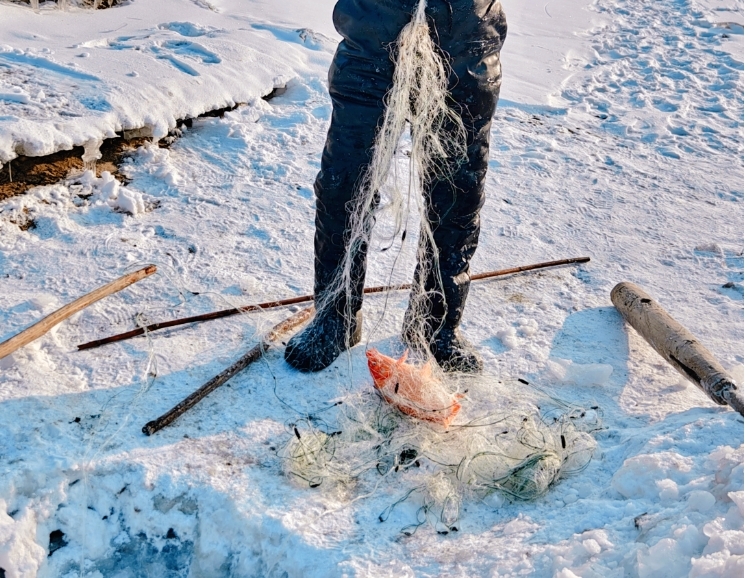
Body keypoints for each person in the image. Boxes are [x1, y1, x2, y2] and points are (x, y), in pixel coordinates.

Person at [285, 0, 507, 373]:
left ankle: (436, 323)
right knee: (346, 181)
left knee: (458, 189)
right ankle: (335, 316)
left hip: (467, 41)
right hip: (373, 36)